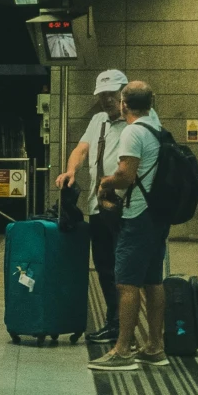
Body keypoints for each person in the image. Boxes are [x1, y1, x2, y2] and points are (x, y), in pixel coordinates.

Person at [91, 80, 168, 370]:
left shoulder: (133, 131)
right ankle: (155, 347)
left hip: (138, 216)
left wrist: (104, 183)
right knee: (153, 281)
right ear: (151, 101)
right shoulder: (157, 129)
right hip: (158, 214)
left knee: (126, 283)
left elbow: (126, 176)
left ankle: (123, 351)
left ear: (124, 103)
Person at [59, 68, 130, 344]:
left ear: (123, 94)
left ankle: (123, 324)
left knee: (123, 268)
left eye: (112, 94)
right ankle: (114, 320)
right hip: (98, 207)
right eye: (103, 95)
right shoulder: (98, 120)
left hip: (125, 208)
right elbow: (81, 149)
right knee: (104, 265)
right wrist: (71, 171)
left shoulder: (135, 123)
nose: (107, 100)